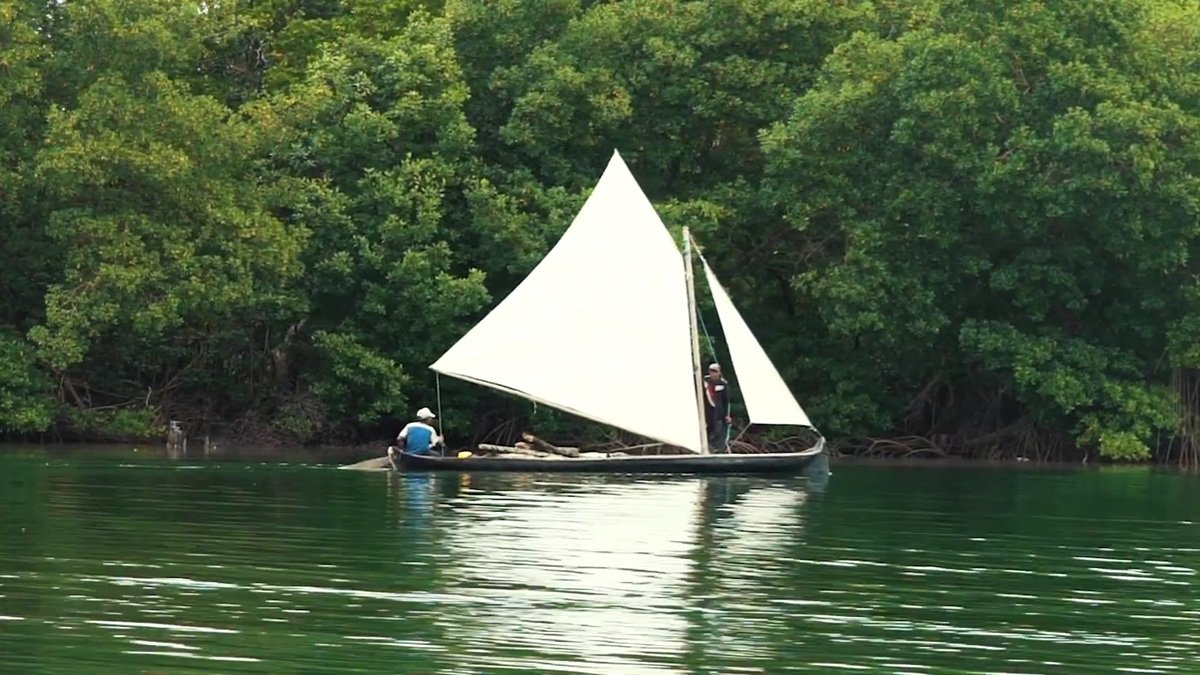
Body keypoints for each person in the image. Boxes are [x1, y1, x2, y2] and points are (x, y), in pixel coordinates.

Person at [704, 363, 731, 453]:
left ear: (719, 372)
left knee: (717, 430)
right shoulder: (704, 382)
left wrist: (727, 415)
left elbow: (726, 401)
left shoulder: (723, 383)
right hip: (706, 410)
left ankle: (715, 448)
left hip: (718, 411)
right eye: (711, 371)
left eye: (715, 371)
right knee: (708, 428)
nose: (713, 373)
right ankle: (707, 447)